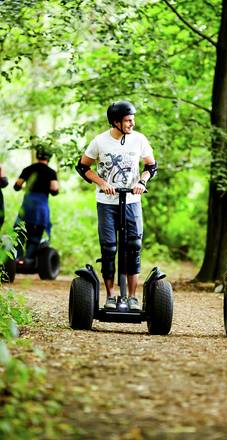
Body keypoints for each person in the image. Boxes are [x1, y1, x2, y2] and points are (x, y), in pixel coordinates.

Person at [75, 100, 158, 311]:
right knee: (109, 248)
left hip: (132, 201)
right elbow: (83, 167)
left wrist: (142, 182)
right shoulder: (99, 141)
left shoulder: (139, 139)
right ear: (116, 122)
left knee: (133, 247)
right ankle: (111, 296)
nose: (132, 123)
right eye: (128, 120)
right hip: (106, 203)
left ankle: (132, 297)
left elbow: (151, 165)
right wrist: (102, 183)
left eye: (133, 119)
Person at [13, 149, 60, 266]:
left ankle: (17, 259)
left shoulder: (28, 169)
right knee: (36, 234)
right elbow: (55, 189)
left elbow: (17, 185)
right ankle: (28, 260)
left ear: (37, 156)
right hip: (41, 207)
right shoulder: (51, 172)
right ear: (49, 158)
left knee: (20, 233)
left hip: (27, 205)